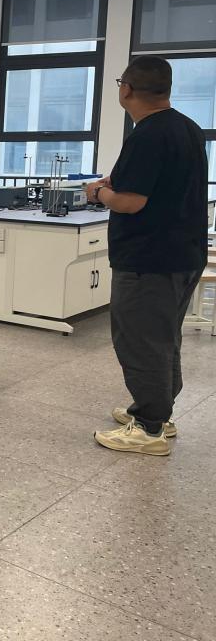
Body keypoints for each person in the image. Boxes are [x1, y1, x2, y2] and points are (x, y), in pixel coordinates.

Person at [87, 55, 208, 457]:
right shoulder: (187, 128)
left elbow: (131, 202)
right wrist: (117, 185)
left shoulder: (147, 135)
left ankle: (149, 427)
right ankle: (158, 411)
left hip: (149, 260)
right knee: (163, 335)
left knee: (140, 340)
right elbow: (159, 186)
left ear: (126, 90)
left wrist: (99, 192)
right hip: (183, 254)